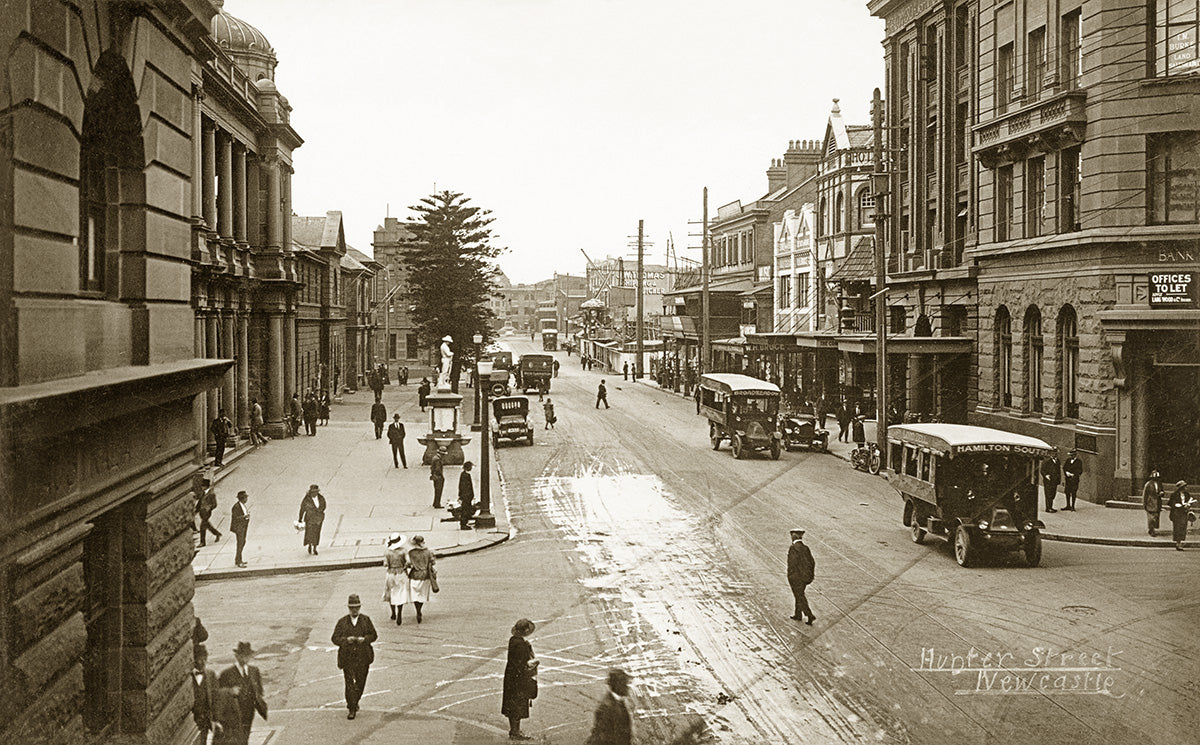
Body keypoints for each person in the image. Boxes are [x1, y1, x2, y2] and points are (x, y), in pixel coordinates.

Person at [331, 594, 377, 720]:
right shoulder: (342, 622)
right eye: (352, 608)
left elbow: (374, 635)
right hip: (348, 657)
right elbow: (334, 638)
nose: (354, 610)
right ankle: (352, 707)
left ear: (360, 607)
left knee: (360, 683)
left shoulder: (366, 620)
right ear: (348, 608)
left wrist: (365, 639)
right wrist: (346, 640)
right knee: (349, 683)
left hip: (363, 657)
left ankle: (354, 701)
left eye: (356, 607)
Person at [216, 642, 268, 743]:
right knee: (236, 738)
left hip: (249, 711)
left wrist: (259, 702)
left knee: (245, 736)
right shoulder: (227, 674)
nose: (245, 658)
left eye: (247, 656)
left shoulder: (254, 671)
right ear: (237, 656)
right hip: (233, 713)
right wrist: (230, 691)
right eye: (242, 655)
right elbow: (218, 695)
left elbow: (259, 690)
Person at [502, 618, 538, 741]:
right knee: (517, 706)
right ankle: (515, 732)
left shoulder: (513, 640)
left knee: (512, 705)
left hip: (511, 677)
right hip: (518, 679)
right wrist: (532, 665)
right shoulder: (521, 645)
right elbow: (521, 664)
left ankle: (514, 730)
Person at [585, 669, 633, 745]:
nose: (627, 687)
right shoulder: (607, 708)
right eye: (624, 684)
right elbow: (602, 737)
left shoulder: (619, 702)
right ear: (617, 685)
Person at [399, 534, 437, 624]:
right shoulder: (428, 552)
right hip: (425, 575)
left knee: (415, 595)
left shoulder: (411, 553)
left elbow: (408, 564)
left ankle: (417, 609)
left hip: (414, 575)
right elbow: (433, 562)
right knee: (422, 595)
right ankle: (419, 610)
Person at [193, 645, 222, 745]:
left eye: (204, 659)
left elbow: (216, 698)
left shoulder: (210, 674)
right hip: (193, 719)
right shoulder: (187, 676)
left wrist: (217, 719)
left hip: (206, 719)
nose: (202, 662)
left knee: (203, 741)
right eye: (199, 659)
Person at [787, 528, 816, 625]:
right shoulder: (806, 548)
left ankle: (809, 615)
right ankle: (798, 614)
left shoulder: (793, 548)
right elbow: (812, 562)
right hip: (805, 577)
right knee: (799, 594)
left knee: (799, 596)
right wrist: (810, 575)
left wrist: (791, 575)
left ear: (794, 536)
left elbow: (792, 564)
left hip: (796, 577)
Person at [383, 533, 408, 623]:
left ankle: (393, 612)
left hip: (391, 573)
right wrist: (404, 566)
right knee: (400, 593)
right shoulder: (403, 551)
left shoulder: (387, 552)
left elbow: (385, 564)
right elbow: (408, 562)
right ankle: (399, 613)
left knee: (390, 593)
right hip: (401, 573)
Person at [298, 484, 326, 555]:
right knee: (309, 533)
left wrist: (320, 512)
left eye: (316, 492)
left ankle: (315, 548)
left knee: (317, 533)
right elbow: (302, 509)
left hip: (318, 519)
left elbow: (324, 506)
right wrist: (300, 518)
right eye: (313, 492)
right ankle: (310, 545)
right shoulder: (306, 499)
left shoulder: (321, 498)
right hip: (309, 519)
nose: (314, 494)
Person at [1168, 480, 1193, 550]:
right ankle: (1178, 543)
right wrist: (1176, 505)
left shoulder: (1187, 494)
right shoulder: (1174, 494)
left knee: (1183, 528)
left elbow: (1189, 502)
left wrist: (1188, 505)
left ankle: (1180, 542)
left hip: (1184, 513)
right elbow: (1170, 503)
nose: (1186, 488)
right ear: (1181, 487)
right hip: (1176, 513)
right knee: (1177, 528)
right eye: (1185, 487)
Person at [197, 480, 221, 546]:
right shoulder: (202, 493)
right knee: (207, 525)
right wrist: (196, 510)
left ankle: (202, 542)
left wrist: (209, 508)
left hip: (207, 512)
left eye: (203, 486)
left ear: (206, 486)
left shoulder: (211, 494)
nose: (202, 487)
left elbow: (214, 504)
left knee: (202, 526)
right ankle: (217, 533)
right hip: (202, 512)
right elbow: (200, 502)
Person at [231, 491, 250, 568]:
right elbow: (235, 518)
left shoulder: (242, 505)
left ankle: (238, 559)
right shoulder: (236, 507)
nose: (247, 499)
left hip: (243, 527)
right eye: (246, 497)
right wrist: (244, 517)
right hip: (239, 528)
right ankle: (239, 561)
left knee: (242, 542)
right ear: (242, 498)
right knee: (240, 543)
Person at [1143, 470, 1164, 536]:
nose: (1156, 479)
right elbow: (1145, 495)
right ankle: (1151, 530)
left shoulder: (1159, 484)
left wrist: (1162, 493)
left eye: (1157, 477)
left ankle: (1152, 528)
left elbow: (1162, 491)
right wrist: (1144, 503)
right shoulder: (1148, 484)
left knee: (1156, 516)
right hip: (1150, 502)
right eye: (1155, 477)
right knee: (1151, 517)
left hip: (1157, 502)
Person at [458, 461, 476, 530]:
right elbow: (467, 487)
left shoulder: (463, 474)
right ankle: (463, 524)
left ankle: (464, 523)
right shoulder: (466, 476)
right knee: (465, 510)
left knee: (466, 509)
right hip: (466, 496)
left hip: (465, 495)